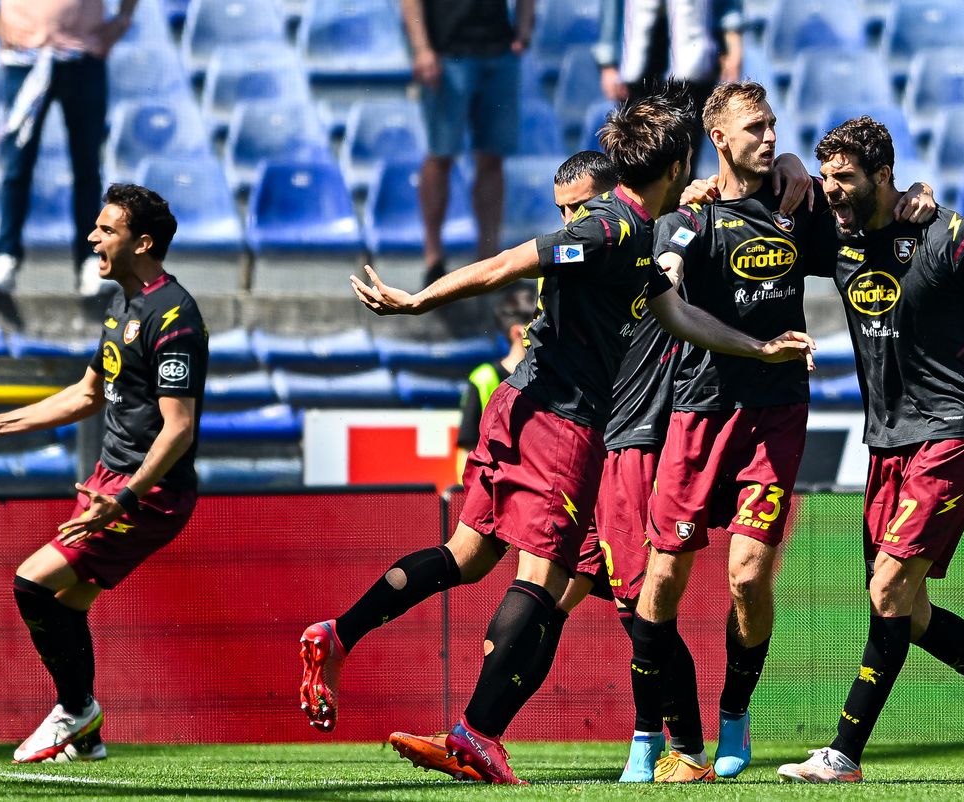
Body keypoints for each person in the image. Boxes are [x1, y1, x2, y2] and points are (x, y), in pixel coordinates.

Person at [300, 84, 817, 785]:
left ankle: (341, 632)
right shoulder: (609, 229)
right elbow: (511, 262)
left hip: (524, 408)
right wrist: (420, 299)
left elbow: (676, 315)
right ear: (673, 168)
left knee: (469, 557)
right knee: (544, 578)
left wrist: (756, 348)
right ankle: (477, 735)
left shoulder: (640, 238)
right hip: (563, 421)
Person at [628, 82, 936, 784]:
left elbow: (875, 227)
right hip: (697, 413)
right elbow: (665, 292)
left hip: (774, 417)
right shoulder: (690, 217)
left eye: (774, 126)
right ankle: (656, 737)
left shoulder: (799, 207)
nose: (769, 137)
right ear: (720, 138)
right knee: (663, 581)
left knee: (746, 577)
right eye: (755, 127)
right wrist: (750, 343)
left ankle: (735, 715)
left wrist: (917, 197)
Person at [777, 117, 964, 784]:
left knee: (888, 588)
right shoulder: (839, 231)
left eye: (846, 179)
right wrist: (801, 165)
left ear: (883, 175)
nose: (833, 191)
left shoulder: (953, 235)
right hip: (885, 439)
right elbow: (782, 175)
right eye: (827, 179)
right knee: (906, 613)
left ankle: (843, 753)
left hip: (950, 432)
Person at [0, 184, 207, 763]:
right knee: (64, 604)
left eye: (106, 230)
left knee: (32, 582)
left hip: (149, 493)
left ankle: (76, 710)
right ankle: (87, 733)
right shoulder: (122, 305)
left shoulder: (175, 316)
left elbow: (178, 429)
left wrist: (127, 498)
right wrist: (4, 423)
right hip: (109, 482)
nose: (92, 237)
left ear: (142, 243)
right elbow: (89, 393)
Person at [0, 0, 137, 299]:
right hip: (25, 57)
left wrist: (123, 18)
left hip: (83, 57)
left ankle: (90, 260)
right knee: (17, 165)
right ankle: (5, 255)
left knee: (87, 168)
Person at [401, 0, 535, 285]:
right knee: (441, 155)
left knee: (492, 158)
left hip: (498, 51)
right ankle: (434, 258)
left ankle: (489, 259)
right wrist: (422, 49)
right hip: (446, 55)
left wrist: (523, 30)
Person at [595, 0, 745, 113]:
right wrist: (608, 64)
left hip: (694, 57)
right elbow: (611, 7)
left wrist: (733, 45)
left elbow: (729, 6)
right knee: (638, 142)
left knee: (686, 142)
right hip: (636, 57)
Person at [454, 285, 537, 482]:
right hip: (494, 491)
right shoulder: (484, 378)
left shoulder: (549, 377)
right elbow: (467, 448)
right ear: (519, 333)